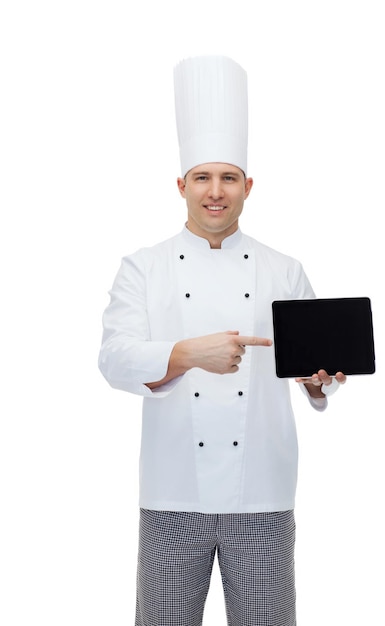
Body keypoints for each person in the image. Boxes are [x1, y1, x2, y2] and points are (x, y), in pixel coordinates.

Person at [99, 55, 346, 626]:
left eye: (229, 178)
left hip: (262, 492)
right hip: (172, 496)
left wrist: (318, 382)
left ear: (248, 186)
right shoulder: (143, 268)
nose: (216, 192)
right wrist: (188, 354)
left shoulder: (285, 269)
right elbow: (113, 359)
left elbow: (315, 370)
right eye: (203, 178)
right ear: (181, 184)